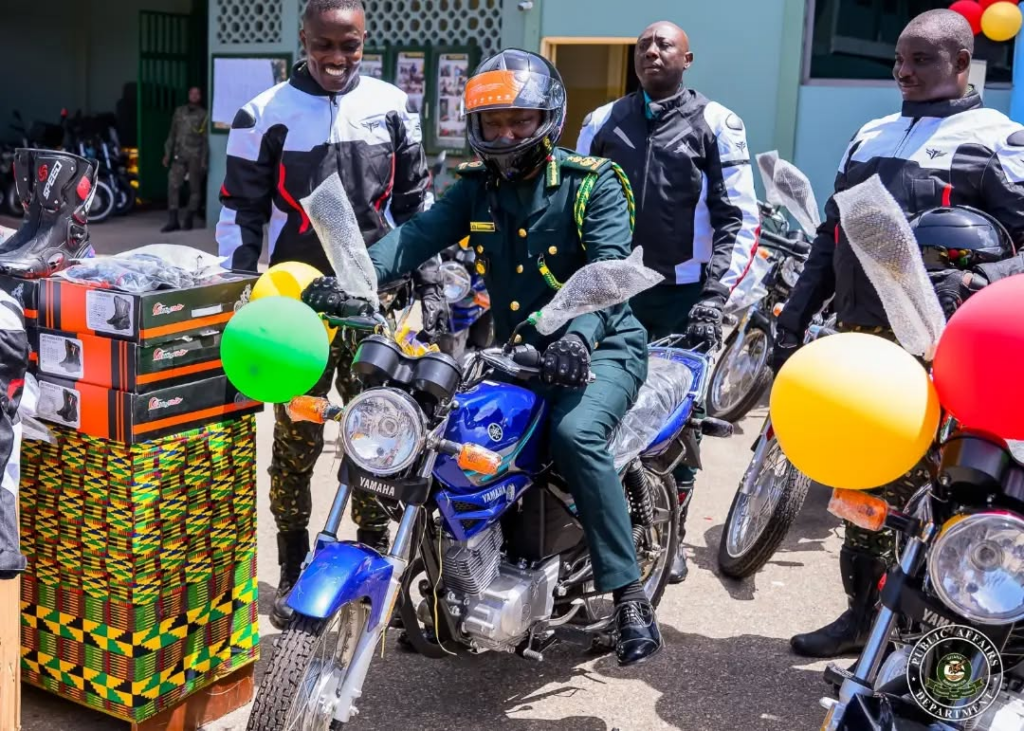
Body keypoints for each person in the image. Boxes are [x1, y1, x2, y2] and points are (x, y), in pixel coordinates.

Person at [302, 48, 666, 666]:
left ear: (548, 118)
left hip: (601, 347)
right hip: (518, 352)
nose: (505, 135)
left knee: (575, 435)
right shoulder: (477, 188)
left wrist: (578, 340)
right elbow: (413, 238)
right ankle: (451, 590)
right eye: (493, 123)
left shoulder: (592, 184)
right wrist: (352, 281)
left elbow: (609, 277)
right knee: (447, 442)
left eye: (519, 121)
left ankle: (629, 595)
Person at [773, 8, 1024, 659]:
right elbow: (830, 236)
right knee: (860, 490)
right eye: (899, 60)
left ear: (962, 63)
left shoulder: (999, 141)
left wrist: (976, 279)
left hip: (944, 354)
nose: (903, 72)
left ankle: (924, 638)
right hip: (859, 346)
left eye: (921, 60)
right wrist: (792, 320)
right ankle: (862, 619)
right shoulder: (869, 135)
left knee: (937, 500)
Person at [215, 0, 445, 631]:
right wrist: (239, 298)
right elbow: (240, 213)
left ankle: (372, 563)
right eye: (324, 45)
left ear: (365, 40)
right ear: (304, 39)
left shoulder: (392, 105)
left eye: (350, 45)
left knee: (382, 438)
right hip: (297, 312)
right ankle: (293, 568)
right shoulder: (262, 113)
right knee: (296, 442)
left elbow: (417, 205)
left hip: (376, 306)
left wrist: (429, 284)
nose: (337, 58)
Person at [576, 20, 759, 584]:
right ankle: (601, 528)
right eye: (643, 45)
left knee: (679, 422)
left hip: (684, 298)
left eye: (665, 45)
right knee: (595, 406)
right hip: (613, 295)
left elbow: (740, 217)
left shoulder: (717, 123)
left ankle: (668, 533)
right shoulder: (601, 122)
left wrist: (716, 297)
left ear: (688, 58)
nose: (652, 51)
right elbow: (573, 207)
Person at [162, 86, 209, 232]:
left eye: (197, 93)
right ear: (188, 95)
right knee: (173, 185)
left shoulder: (204, 115)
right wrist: (167, 154)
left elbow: (205, 140)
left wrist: (204, 160)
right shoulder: (179, 112)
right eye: (192, 93)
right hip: (179, 155)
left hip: (195, 156)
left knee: (195, 189)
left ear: (200, 96)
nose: (194, 96)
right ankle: (173, 220)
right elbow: (172, 134)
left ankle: (189, 218)